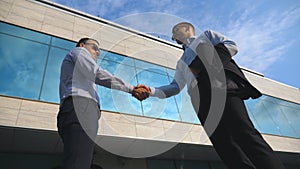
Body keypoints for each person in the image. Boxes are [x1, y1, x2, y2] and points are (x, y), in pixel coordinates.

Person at [133, 22, 286, 169]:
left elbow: (231, 46)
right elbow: (175, 87)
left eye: (175, 32)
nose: (174, 37)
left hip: (220, 88)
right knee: (225, 148)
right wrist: (151, 91)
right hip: (200, 100)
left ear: (186, 28)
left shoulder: (207, 36)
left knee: (245, 134)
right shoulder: (181, 63)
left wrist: (200, 65)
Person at [57, 38, 149, 169]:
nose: (98, 52)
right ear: (82, 45)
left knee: (79, 159)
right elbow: (96, 73)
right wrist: (132, 89)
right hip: (80, 108)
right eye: (94, 47)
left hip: (80, 110)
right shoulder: (79, 51)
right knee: (78, 162)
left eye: (99, 49)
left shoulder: (80, 70)